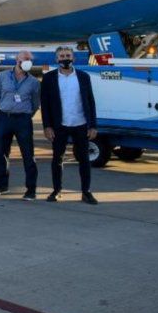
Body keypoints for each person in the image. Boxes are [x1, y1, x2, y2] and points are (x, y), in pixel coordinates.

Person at [41, 46, 99, 204]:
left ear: (73, 58)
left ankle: (86, 192)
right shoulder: (49, 78)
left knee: (84, 160)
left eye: (67, 55)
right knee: (57, 159)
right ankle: (56, 190)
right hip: (60, 125)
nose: (64, 58)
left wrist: (92, 125)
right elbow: (45, 104)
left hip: (80, 124)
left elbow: (90, 102)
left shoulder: (83, 76)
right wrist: (47, 126)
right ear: (56, 59)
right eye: (61, 56)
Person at [0, 50, 41, 199]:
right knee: (1, 153)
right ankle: (2, 185)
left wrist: (25, 114)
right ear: (17, 60)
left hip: (23, 120)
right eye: (25, 58)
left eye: (30, 60)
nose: (27, 61)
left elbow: (35, 103)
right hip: (4, 118)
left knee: (28, 155)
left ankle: (31, 189)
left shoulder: (33, 82)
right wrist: (7, 108)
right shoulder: (2, 76)